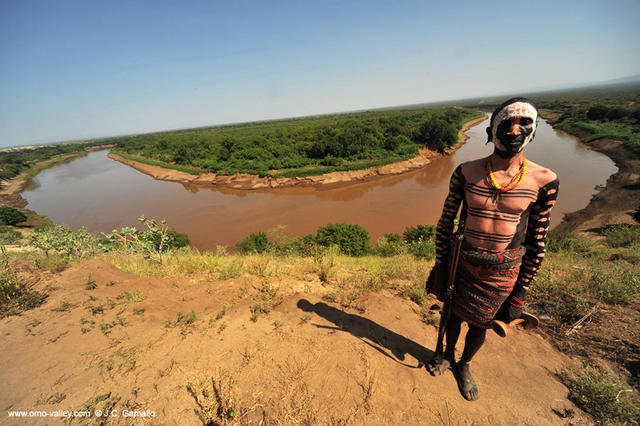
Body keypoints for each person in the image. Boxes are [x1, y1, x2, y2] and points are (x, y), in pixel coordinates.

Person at [426, 97, 559, 401]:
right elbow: (446, 222)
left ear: (534, 130)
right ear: (491, 130)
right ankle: (447, 354)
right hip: (462, 260)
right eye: (506, 123)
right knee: (452, 316)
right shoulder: (466, 172)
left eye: (524, 123)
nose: (514, 130)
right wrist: (441, 263)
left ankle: (464, 365)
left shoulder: (545, 180)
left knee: (481, 322)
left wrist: (521, 291)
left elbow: (537, 242)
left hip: (504, 269)